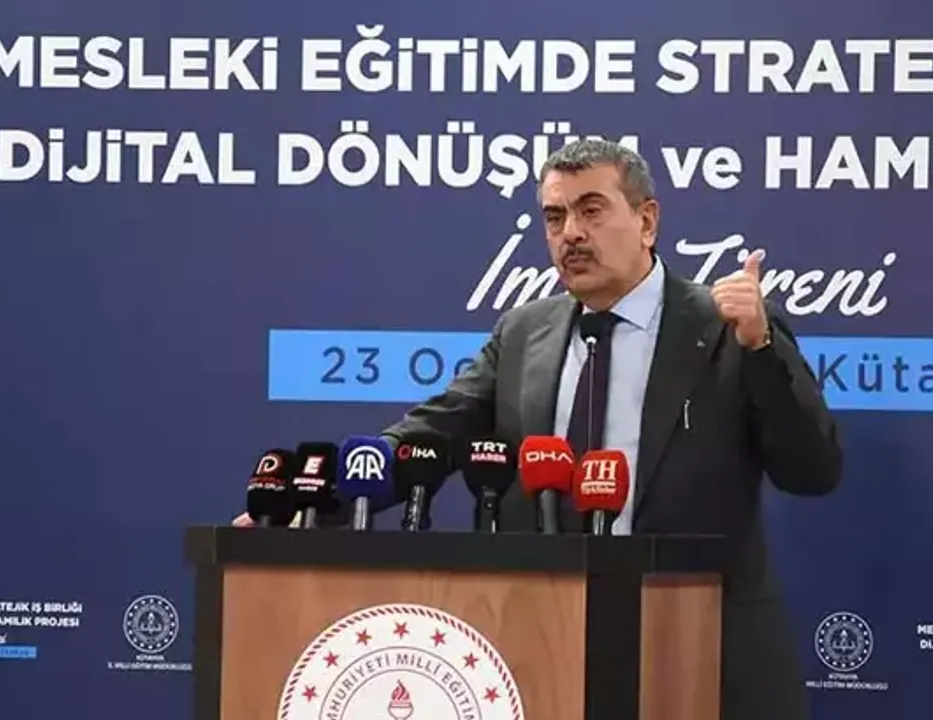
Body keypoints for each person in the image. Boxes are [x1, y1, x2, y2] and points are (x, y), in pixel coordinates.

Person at [235, 138, 843, 720]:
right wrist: (315, 508)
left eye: (591, 210)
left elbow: (812, 470)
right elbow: (432, 434)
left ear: (647, 221)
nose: (570, 233)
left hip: (699, 650)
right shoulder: (525, 333)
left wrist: (761, 348)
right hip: (543, 647)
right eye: (555, 217)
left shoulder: (727, 327)